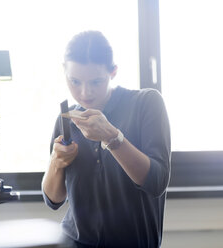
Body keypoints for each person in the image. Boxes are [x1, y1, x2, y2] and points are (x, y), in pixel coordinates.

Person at [42, 30, 171, 248]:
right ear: (64, 70)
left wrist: (112, 137)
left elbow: (156, 182)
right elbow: (53, 200)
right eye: (74, 81)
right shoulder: (66, 119)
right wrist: (56, 162)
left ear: (113, 72)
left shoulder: (146, 104)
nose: (84, 92)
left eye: (96, 82)